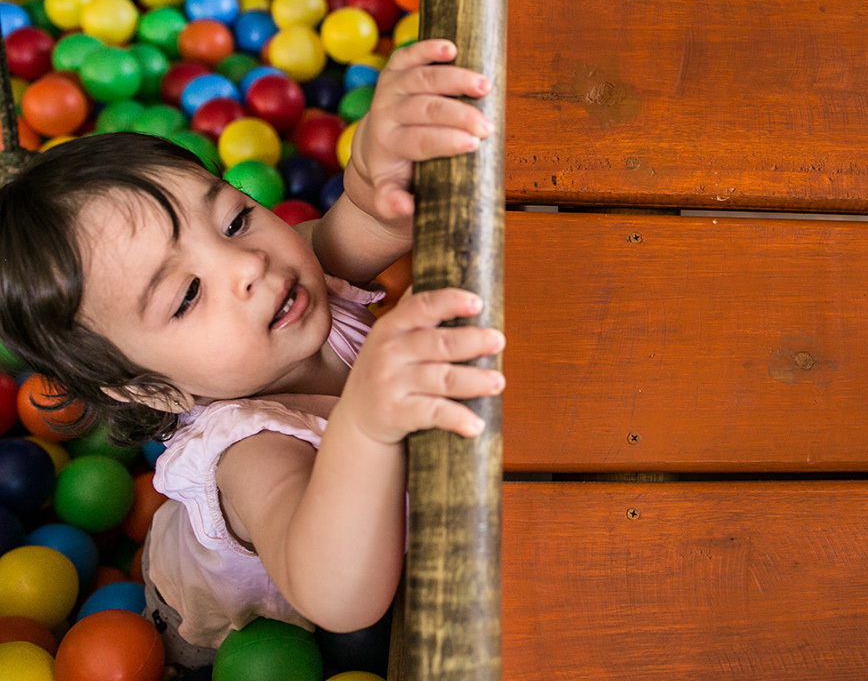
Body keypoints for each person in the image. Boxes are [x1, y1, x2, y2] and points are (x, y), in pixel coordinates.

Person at [0, 39, 505, 667]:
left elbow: (381, 219)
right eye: (187, 295)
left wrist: (380, 171)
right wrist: (366, 424)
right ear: (153, 389)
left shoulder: (300, 276)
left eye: (235, 220)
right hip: (211, 628)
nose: (248, 264)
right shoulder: (249, 449)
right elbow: (338, 597)